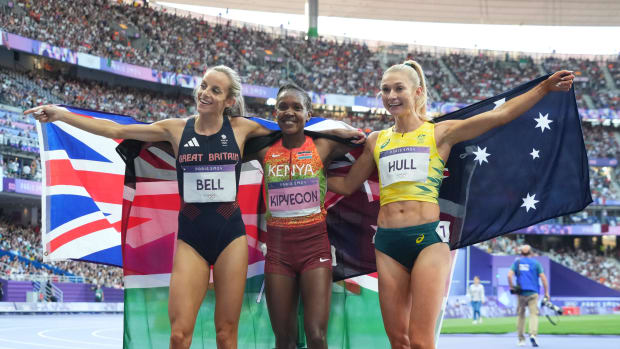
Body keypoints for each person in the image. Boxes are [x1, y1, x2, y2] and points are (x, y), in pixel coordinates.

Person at [327, 60, 573, 349]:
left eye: (399, 88)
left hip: (428, 242)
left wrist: (544, 88)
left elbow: (501, 115)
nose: (391, 95)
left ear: (417, 92)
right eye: (385, 89)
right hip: (387, 244)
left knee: (420, 342)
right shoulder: (376, 140)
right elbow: (345, 185)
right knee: (398, 341)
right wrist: (305, 172)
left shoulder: (439, 133)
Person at [26, 65, 276, 349]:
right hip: (191, 239)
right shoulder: (176, 129)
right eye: (204, 85)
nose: (204, 93)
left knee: (226, 334)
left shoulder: (243, 129)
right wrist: (62, 115)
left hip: (231, 237)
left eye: (215, 90)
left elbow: (291, 133)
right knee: (179, 335)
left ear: (229, 101)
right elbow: (116, 129)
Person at [245, 83, 364, 349]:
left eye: (297, 108)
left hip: (314, 250)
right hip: (278, 253)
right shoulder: (264, 150)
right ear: (275, 113)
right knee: (285, 340)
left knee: (316, 336)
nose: (289, 112)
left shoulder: (323, 146)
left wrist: (316, 128)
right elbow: (232, 144)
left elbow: (355, 135)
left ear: (308, 114)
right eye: (283, 107)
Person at [507, 244, 549, 347]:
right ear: (531, 252)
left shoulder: (517, 262)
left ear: (521, 253)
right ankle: (533, 334)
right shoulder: (536, 263)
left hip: (521, 293)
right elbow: (543, 278)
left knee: (521, 316)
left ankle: (521, 339)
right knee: (533, 315)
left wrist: (512, 287)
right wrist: (546, 292)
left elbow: (509, 275)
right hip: (533, 293)